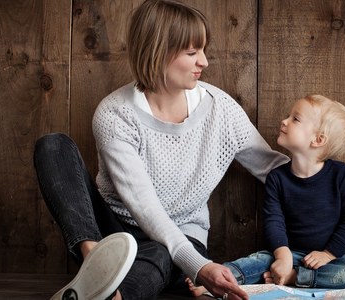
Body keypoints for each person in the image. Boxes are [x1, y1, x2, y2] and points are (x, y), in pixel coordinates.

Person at [33, 0, 289, 299]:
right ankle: (95, 264)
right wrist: (202, 268)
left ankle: (109, 294)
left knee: (162, 253)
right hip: (112, 232)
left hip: (182, 236)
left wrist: (334, 217)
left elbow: (274, 169)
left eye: (203, 51)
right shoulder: (115, 114)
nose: (204, 62)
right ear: (157, 52)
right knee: (53, 146)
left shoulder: (222, 111)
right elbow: (144, 207)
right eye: (192, 53)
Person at [189, 94, 345, 296]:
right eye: (288, 116)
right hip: (288, 252)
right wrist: (282, 256)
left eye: (295, 119)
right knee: (257, 261)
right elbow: (274, 220)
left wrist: (328, 254)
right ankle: (215, 280)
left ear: (318, 140)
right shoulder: (277, 178)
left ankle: (293, 278)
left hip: (328, 260)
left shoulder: (340, 174)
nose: (284, 121)